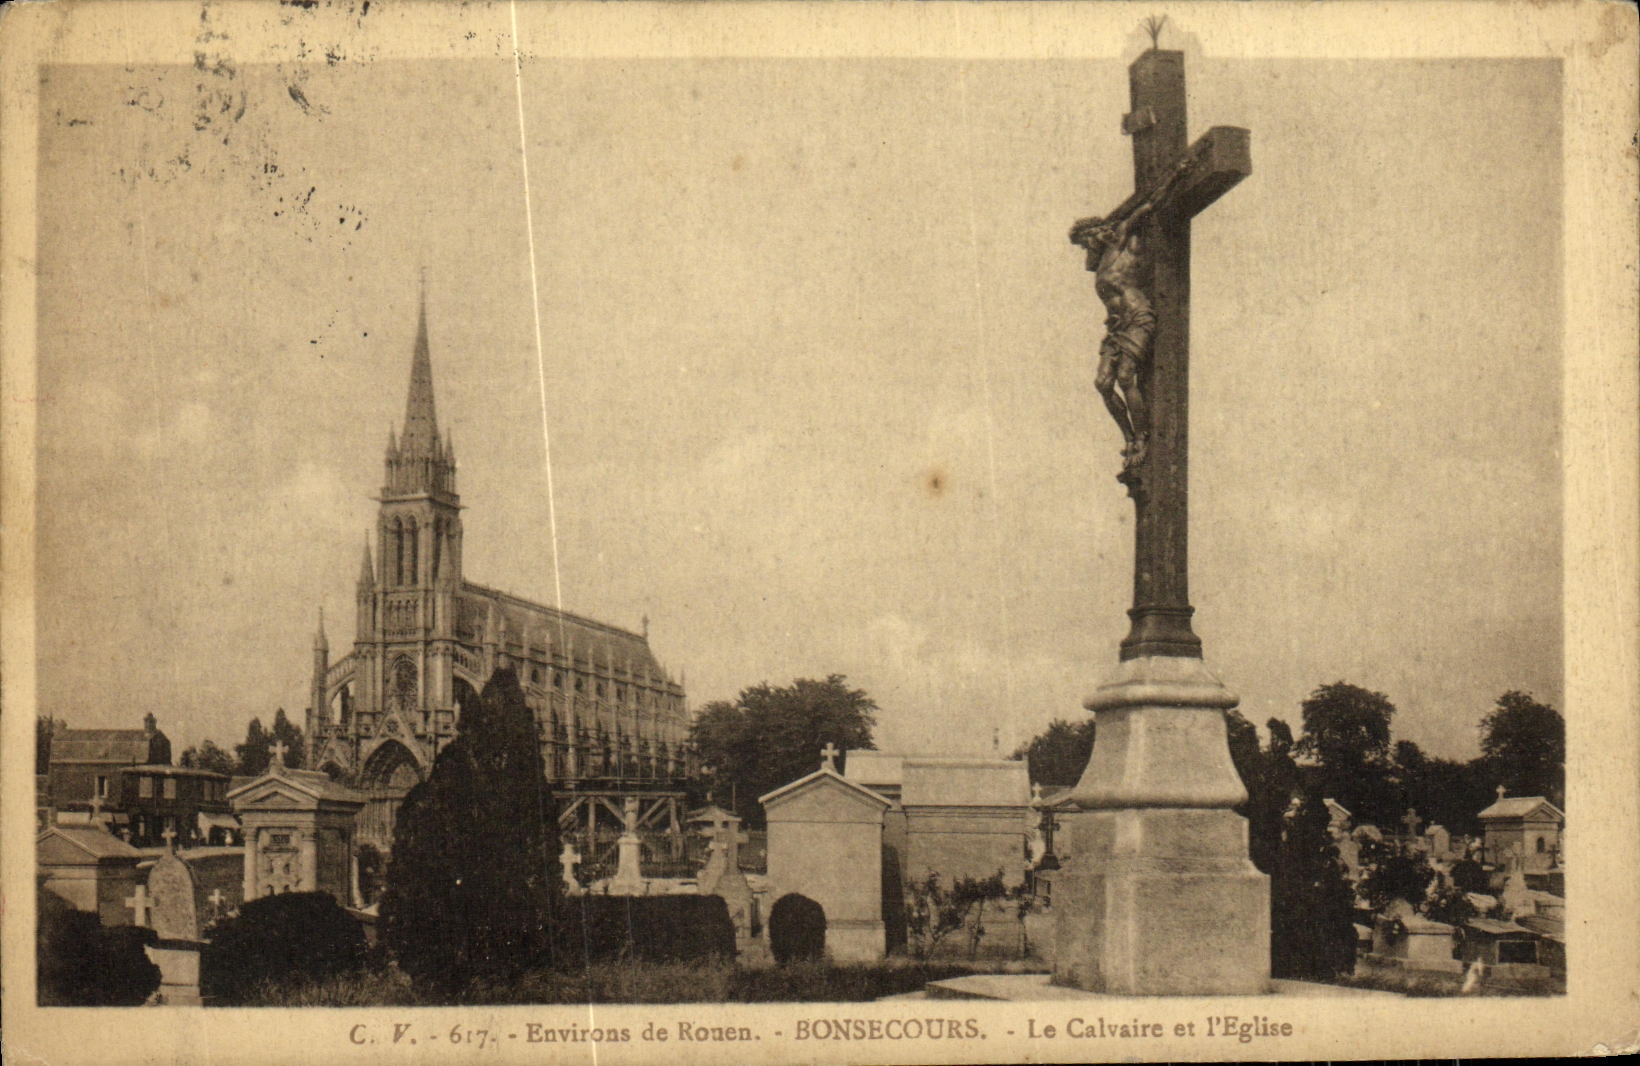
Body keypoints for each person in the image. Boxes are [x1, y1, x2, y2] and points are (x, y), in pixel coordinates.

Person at [1069, 158, 1191, 471]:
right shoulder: (1101, 266)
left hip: (1138, 316)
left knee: (1126, 376)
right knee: (1102, 383)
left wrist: (1176, 172)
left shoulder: (1122, 240)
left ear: (1097, 234)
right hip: (1116, 327)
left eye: (1086, 243)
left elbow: (1149, 205)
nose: (1086, 252)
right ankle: (1129, 437)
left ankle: (1143, 436)